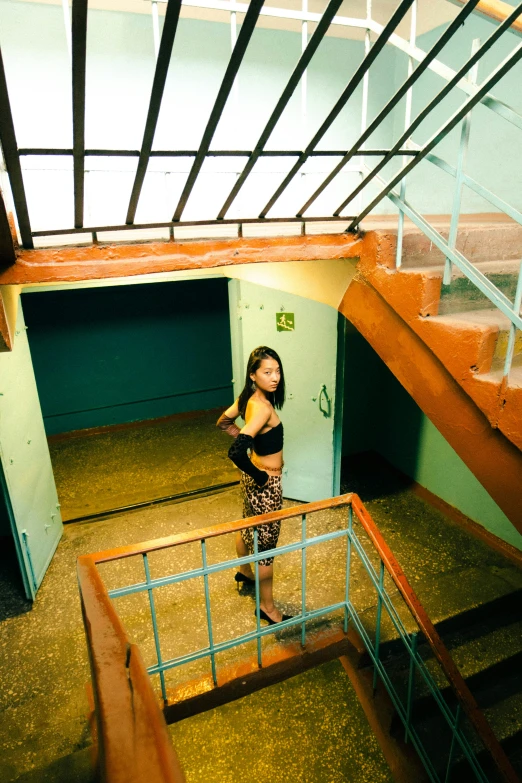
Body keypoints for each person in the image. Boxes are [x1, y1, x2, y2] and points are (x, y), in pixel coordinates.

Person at [217, 345, 291, 625]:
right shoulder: (262, 408)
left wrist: (251, 459)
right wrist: (262, 477)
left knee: (247, 524)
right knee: (267, 549)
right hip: (265, 482)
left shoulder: (247, 397)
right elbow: (236, 451)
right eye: (267, 372)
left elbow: (223, 422)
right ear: (253, 375)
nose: (275, 378)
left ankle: (244, 572)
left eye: (278, 371)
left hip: (252, 476)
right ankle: (268, 608)